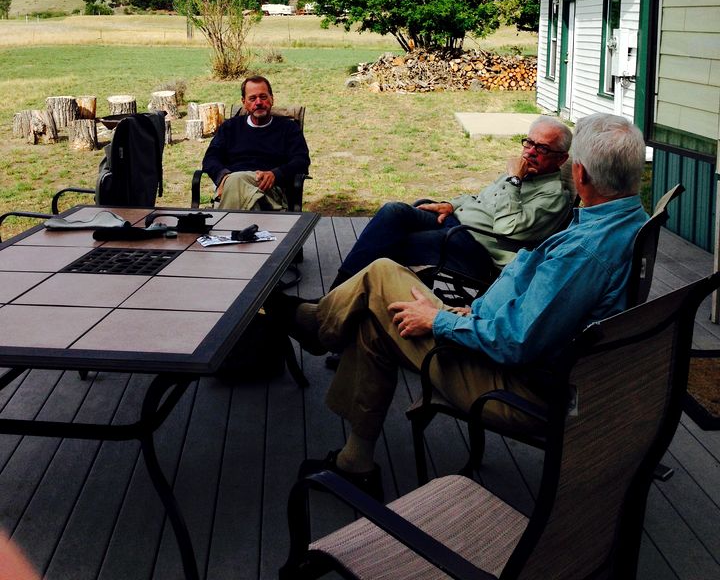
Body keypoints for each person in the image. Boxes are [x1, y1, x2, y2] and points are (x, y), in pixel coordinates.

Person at [270, 113, 648, 501]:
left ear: (579, 173)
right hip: (506, 338)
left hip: (514, 386)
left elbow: (515, 341)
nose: (532, 152)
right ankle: (355, 463)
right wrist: (466, 312)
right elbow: (535, 316)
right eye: (528, 143)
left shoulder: (583, 253)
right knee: (376, 320)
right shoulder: (625, 222)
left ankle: (318, 324)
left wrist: (440, 320)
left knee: (382, 272)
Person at [328, 115, 574, 290]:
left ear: (561, 159)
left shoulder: (553, 196)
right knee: (395, 212)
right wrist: (452, 204)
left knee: (392, 246)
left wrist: (513, 180)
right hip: (455, 223)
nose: (530, 152)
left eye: (541, 148)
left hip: (476, 248)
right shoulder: (522, 173)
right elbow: (480, 198)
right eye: (529, 142)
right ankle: (336, 296)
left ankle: (340, 316)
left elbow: (507, 228)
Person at [201, 75, 310, 211]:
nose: (258, 102)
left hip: (270, 192)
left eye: (263, 97)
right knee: (244, 192)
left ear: (272, 99)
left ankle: (223, 228)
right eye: (252, 98)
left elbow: (301, 161)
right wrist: (223, 177)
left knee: (237, 181)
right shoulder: (230, 127)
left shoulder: (288, 129)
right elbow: (210, 158)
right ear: (244, 102)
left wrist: (276, 174)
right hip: (233, 188)